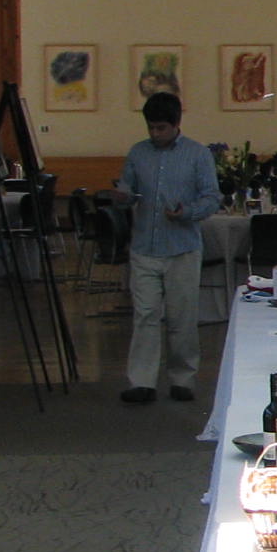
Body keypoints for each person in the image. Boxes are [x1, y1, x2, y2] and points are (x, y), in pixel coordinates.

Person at [104, 92, 221, 404]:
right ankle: (141, 381)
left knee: (182, 316)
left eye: (161, 128)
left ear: (175, 125)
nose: (155, 134)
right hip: (144, 246)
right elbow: (128, 188)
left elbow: (212, 197)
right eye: (151, 128)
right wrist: (122, 196)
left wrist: (187, 212)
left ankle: (183, 378)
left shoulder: (198, 155)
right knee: (145, 314)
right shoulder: (137, 153)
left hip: (182, 247)